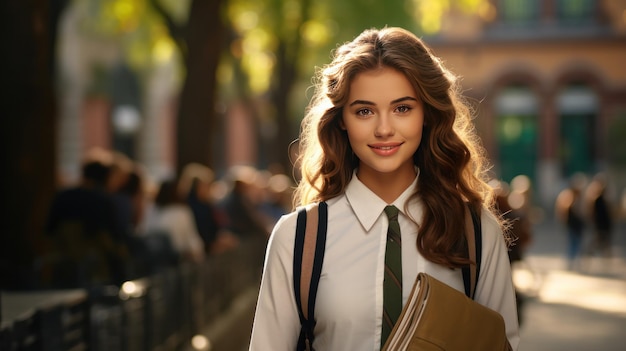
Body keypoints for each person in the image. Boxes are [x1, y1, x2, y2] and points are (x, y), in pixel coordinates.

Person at [249, 27, 519, 350]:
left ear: (426, 114)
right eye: (364, 111)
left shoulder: (476, 232)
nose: (384, 129)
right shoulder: (297, 239)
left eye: (402, 108)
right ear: (342, 120)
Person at [555, 173, 587, 270]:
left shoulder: (578, 198)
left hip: (576, 225)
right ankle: (571, 260)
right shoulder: (569, 198)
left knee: (575, 242)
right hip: (573, 225)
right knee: (573, 242)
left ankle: (574, 260)